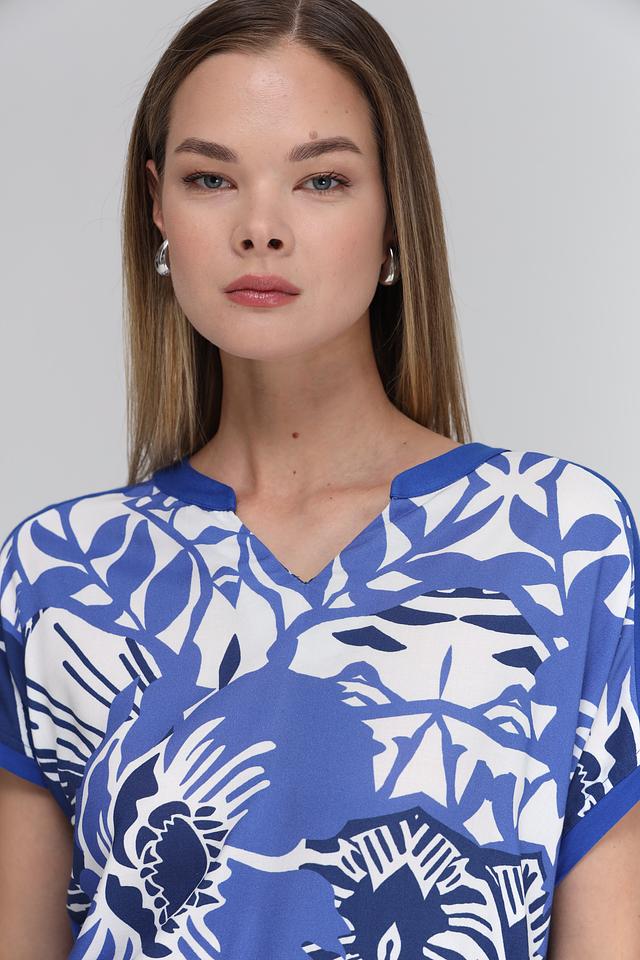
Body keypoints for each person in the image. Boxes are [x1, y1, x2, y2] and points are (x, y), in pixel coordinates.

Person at [1, 1, 638, 957]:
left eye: (322, 180)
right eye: (211, 178)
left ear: (394, 215)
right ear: (159, 208)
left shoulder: (561, 542)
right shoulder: (62, 573)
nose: (260, 227)